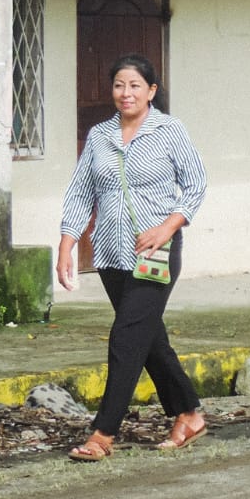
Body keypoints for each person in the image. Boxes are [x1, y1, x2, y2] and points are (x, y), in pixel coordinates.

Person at [57, 53, 208, 461]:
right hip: (110, 252)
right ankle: (189, 414)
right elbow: (80, 192)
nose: (126, 93)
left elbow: (196, 184)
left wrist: (167, 228)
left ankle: (102, 433)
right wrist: (67, 243)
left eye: (135, 86)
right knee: (149, 338)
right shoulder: (99, 136)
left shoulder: (170, 130)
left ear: (151, 91)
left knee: (125, 337)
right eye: (119, 85)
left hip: (156, 252)